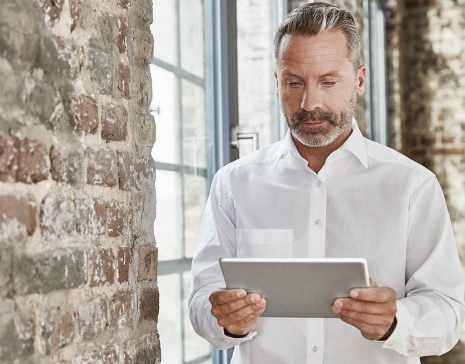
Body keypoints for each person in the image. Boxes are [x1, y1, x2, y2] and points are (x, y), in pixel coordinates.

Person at [188, 2, 465, 363]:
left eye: (328, 82)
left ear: (360, 80)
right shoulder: (233, 184)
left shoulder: (412, 185)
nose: (309, 103)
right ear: (277, 83)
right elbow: (201, 305)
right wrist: (226, 320)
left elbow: (448, 314)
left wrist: (397, 320)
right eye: (294, 82)